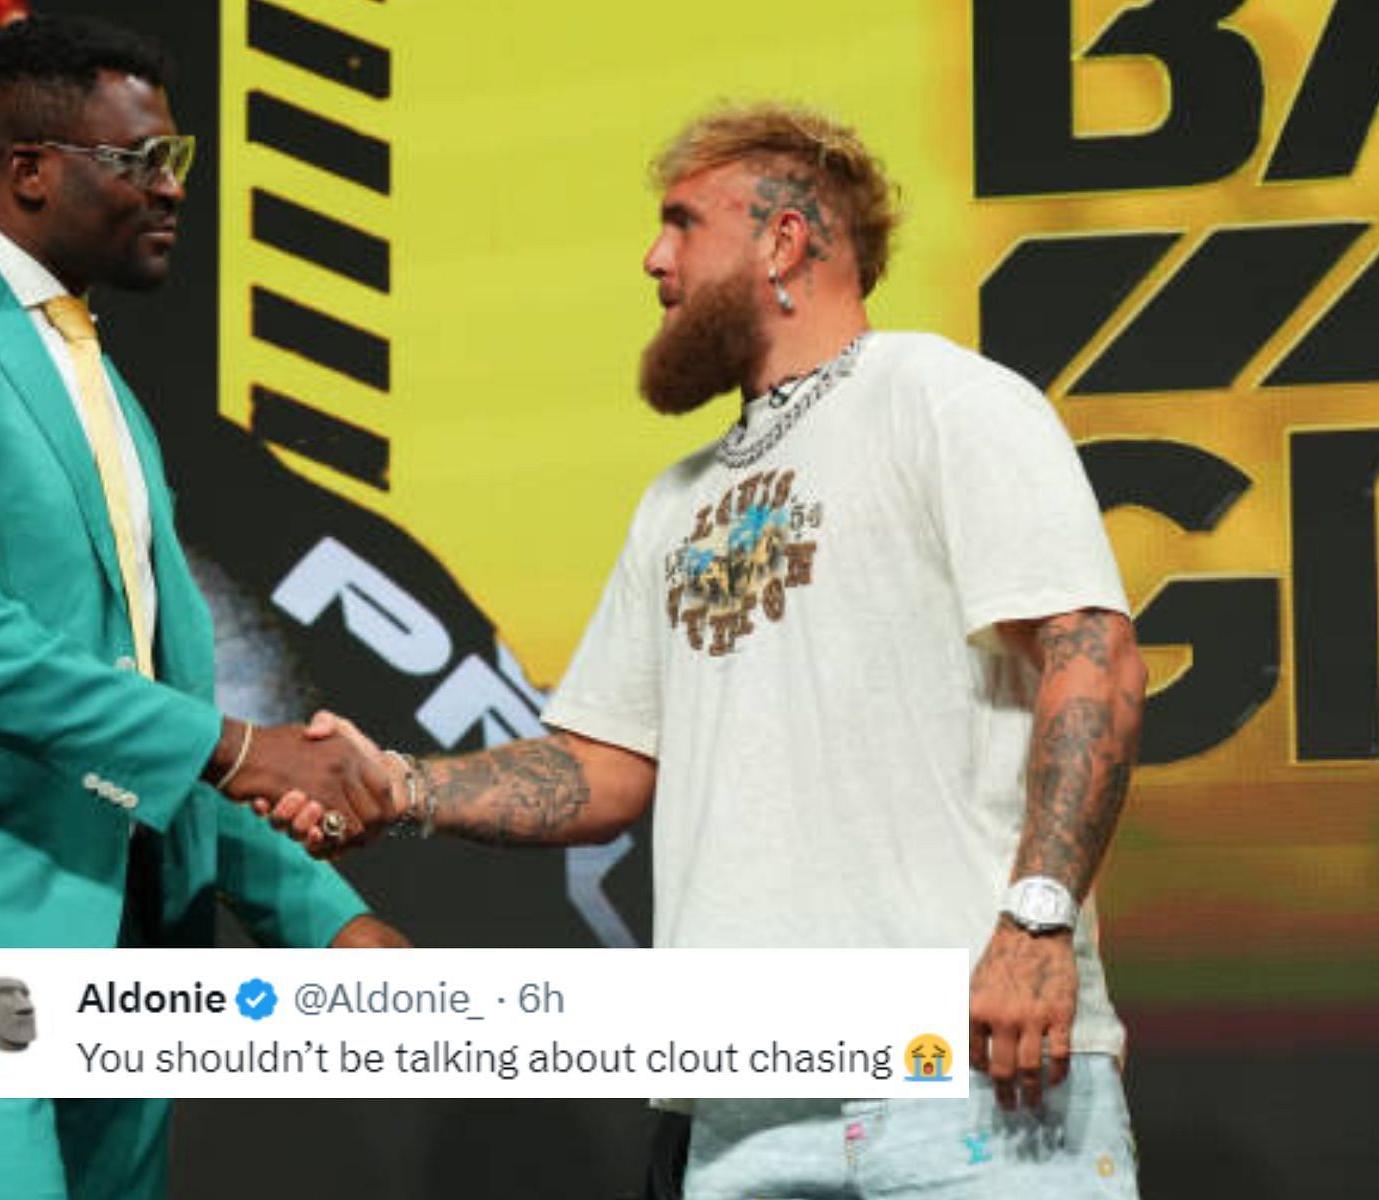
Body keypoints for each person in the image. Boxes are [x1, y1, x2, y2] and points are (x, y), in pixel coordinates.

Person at [272, 101, 1148, 1199]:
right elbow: (600, 770)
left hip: (967, 1070)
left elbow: (1095, 656)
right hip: (738, 1102)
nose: (654, 258)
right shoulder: (675, 500)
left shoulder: (946, 401)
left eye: (683, 224)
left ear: (785, 240)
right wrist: (397, 784)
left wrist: (1037, 920)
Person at [0, 15, 403, 1200]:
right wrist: (236, 747)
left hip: (118, 947)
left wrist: (320, 914)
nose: (173, 190)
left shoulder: (98, 382)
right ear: (31, 168)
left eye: (178, 160)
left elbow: (150, 706)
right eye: (141, 160)